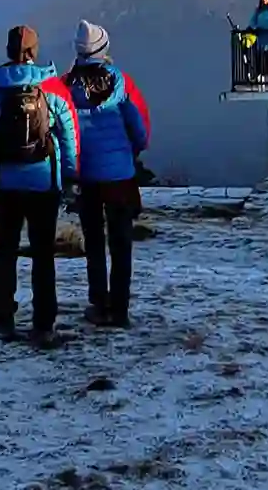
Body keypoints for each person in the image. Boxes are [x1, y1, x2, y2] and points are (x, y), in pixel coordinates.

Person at [0, 24, 80, 346]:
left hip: (4, 182)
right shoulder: (53, 87)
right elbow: (69, 135)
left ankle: (4, 319)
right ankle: (44, 324)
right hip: (44, 182)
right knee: (43, 255)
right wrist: (70, 174)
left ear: (7, 51)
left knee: (6, 252)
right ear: (34, 52)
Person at [65, 20, 151, 329]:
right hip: (120, 176)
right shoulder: (121, 82)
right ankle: (121, 308)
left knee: (94, 241)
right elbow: (139, 128)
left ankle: (99, 304)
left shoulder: (67, 85)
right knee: (121, 242)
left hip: (87, 176)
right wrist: (134, 150)